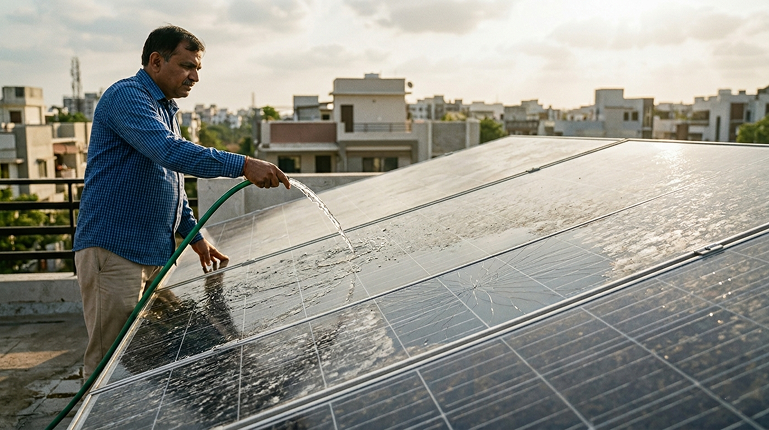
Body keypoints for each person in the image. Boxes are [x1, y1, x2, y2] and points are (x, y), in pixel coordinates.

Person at [72, 25, 289, 377]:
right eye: (188, 66)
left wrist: (195, 236)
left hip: (150, 255)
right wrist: (244, 164)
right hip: (113, 254)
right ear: (156, 61)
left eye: (198, 69)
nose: (195, 77)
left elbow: (169, 181)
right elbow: (170, 152)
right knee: (107, 362)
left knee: (145, 355)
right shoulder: (127, 97)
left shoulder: (165, 108)